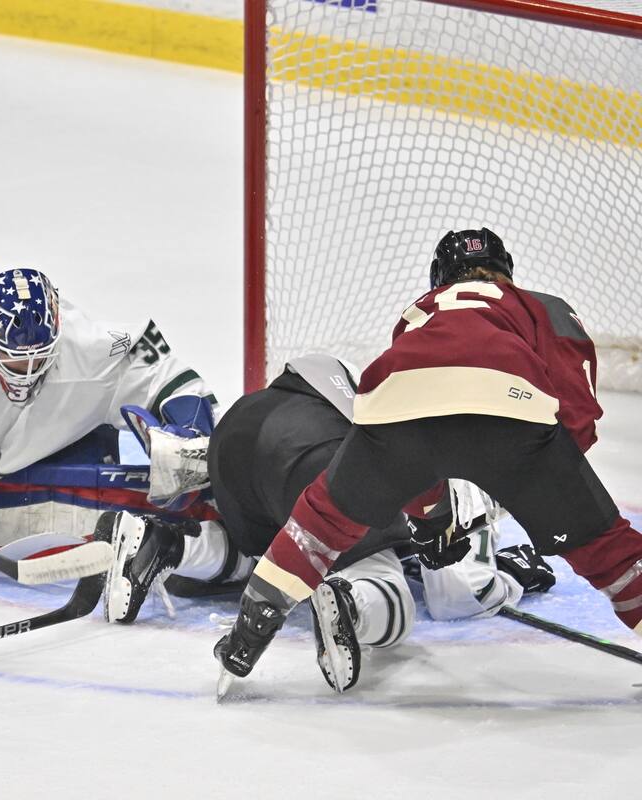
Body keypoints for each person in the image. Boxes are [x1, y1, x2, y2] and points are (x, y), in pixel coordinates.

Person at [208, 228, 642, 688]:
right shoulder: (538, 304)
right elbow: (574, 407)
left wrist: (433, 518)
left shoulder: (420, 312)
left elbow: (422, 445)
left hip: (394, 408)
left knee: (320, 523)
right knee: (606, 549)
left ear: (440, 278)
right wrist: (556, 481)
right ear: (506, 273)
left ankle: (246, 637)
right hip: (510, 410)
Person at [97, 353, 556, 692]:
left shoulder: (423, 389)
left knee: (261, 558)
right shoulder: (481, 475)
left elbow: (317, 368)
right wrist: (509, 577)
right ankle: (350, 605)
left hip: (241, 431)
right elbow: (454, 598)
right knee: (389, 591)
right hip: (317, 455)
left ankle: (163, 543)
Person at [0, 259, 218, 494]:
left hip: (36, 462)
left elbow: (167, 375)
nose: (29, 370)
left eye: (40, 357)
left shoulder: (86, 348)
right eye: (15, 356)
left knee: (91, 455)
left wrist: (190, 431)